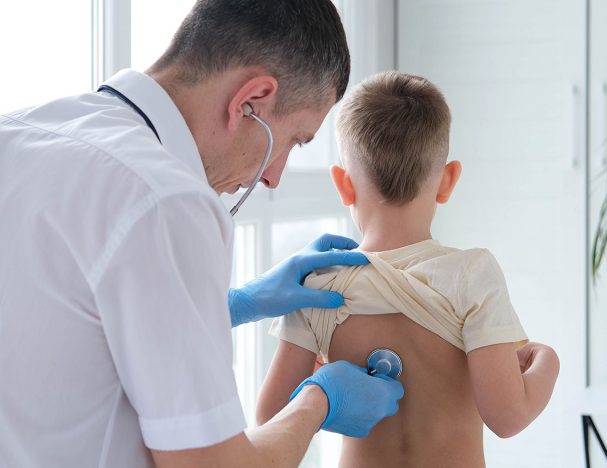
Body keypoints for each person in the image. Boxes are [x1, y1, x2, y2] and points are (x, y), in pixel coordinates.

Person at [0, 2, 405, 467]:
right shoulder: (166, 198)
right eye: (293, 140)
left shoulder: (15, 134)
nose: (274, 177)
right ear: (251, 100)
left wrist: (232, 304)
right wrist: (319, 401)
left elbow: (58, 326)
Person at [257, 71, 561, 467]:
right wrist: (549, 361)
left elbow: (271, 420)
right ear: (448, 180)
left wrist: (321, 392)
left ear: (343, 184)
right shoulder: (472, 275)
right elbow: (508, 417)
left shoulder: (318, 285)